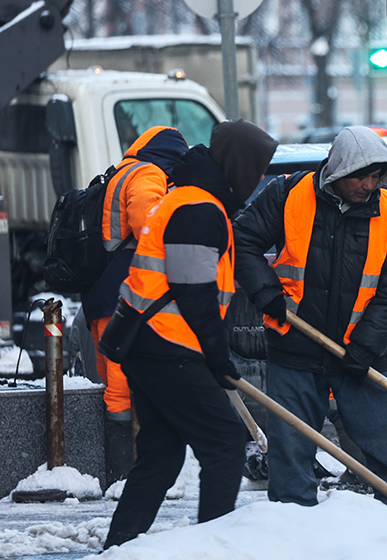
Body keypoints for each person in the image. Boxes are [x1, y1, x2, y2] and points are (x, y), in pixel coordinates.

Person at [103, 120, 278, 549]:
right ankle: (211, 547)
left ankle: (119, 547)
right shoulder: (198, 209)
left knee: (161, 457)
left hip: (151, 343)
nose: (257, 179)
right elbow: (193, 291)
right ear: (238, 165)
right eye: (256, 169)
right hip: (168, 344)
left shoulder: (193, 199)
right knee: (224, 444)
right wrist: (218, 357)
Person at [233, 125, 387, 508]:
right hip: (296, 346)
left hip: (359, 353)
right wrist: (267, 292)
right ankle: (293, 529)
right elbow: (242, 241)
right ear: (337, 171)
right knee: (290, 458)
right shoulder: (288, 195)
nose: (368, 185)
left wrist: (367, 345)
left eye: (375, 176)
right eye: (360, 176)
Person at [82, 126, 189, 484]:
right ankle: (124, 471)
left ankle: (121, 467)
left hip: (104, 290)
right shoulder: (146, 174)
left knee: (113, 377)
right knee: (120, 384)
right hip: (123, 292)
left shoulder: (121, 171)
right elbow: (148, 224)